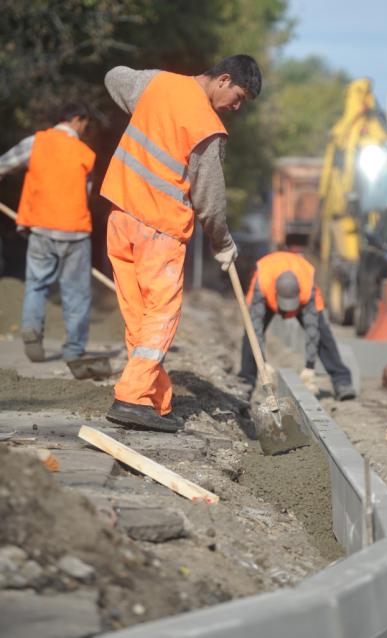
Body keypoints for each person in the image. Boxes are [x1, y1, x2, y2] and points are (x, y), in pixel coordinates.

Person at [100, 55, 262, 432]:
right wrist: (222, 243)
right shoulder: (207, 126)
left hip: (121, 216)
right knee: (160, 316)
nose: (236, 106)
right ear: (223, 80)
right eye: (238, 96)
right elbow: (210, 200)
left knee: (140, 317)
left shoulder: (158, 84)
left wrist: (144, 105)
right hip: (159, 229)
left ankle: (154, 400)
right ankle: (130, 398)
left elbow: (114, 75)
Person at [0, 102, 96, 363]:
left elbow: (3, 165)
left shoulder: (35, 143)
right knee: (76, 292)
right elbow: (85, 196)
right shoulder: (86, 154)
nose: (85, 129)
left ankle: (31, 328)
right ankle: (74, 350)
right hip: (74, 232)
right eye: (85, 124)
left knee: (36, 284)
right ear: (77, 119)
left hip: (41, 228)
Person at [239, 251, 356, 401]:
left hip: (303, 297)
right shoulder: (263, 282)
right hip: (266, 295)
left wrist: (310, 367)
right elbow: (255, 328)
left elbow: (312, 330)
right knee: (250, 335)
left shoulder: (307, 287)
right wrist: (263, 363)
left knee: (322, 333)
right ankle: (246, 382)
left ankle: (342, 381)